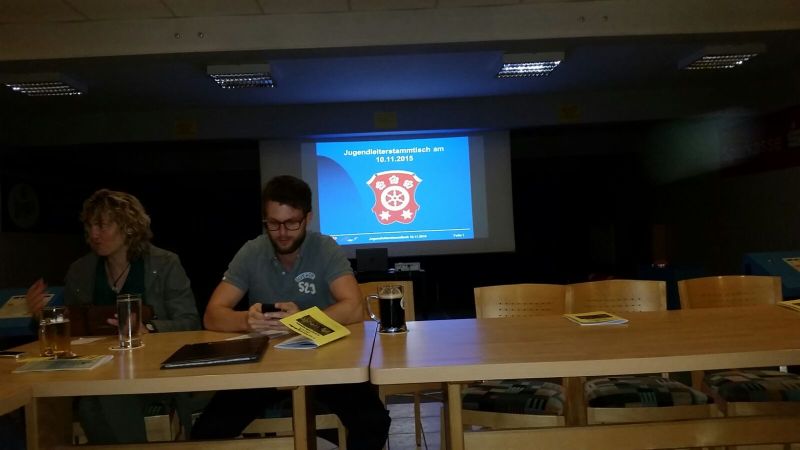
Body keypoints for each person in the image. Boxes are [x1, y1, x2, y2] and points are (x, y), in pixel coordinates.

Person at [191, 175, 390, 449]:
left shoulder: (325, 248)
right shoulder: (252, 251)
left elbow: (354, 307)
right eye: (273, 224)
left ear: (308, 218)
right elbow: (212, 315)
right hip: (265, 368)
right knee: (206, 431)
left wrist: (300, 321)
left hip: (326, 363)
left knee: (373, 421)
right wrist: (248, 320)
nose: (282, 232)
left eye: (291, 223)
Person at [26, 188, 201, 444]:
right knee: (74, 401)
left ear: (128, 227)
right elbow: (70, 331)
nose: (93, 234)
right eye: (89, 227)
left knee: (99, 401)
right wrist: (41, 317)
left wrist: (148, 328)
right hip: (93, 374)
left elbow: (190, 322)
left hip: (153, 373)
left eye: (102, 226)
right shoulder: (80, 271)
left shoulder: (164, 264)